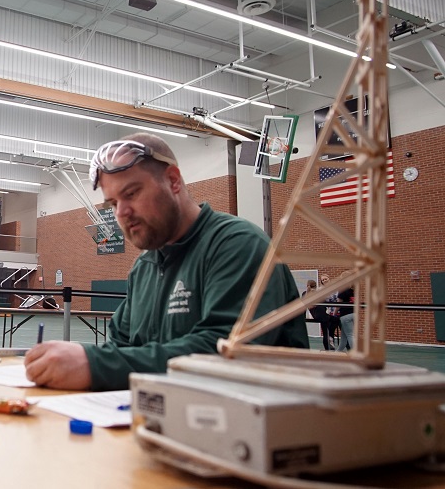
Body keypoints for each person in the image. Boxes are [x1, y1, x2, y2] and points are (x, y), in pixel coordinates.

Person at [25, 134, 309, 390]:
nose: (121, 212)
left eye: (132, 193)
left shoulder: (237, 245)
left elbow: (227, 355)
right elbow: (123, 349)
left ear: (173, 181)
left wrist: (94, 365)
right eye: (112, 203)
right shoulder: (144, 268)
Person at [304, 278, 332, 351]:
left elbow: (303, 305)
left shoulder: (305, 294)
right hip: (322, 314)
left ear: (307, 286)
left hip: (316, 314)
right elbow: (325, 303)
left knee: (326, 330)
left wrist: (303, 317)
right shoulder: (318, 293)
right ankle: (328, 345)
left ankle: (330, 341)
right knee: (327, 330)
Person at [335, 280, 355, 352]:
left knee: (350, 335)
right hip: (353, 313)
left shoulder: (342, 290)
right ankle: (338, 351)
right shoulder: (353, 290)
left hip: (345, 315)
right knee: (344, 337)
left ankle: (355, 352)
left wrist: (334, 314)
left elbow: (338, 304)